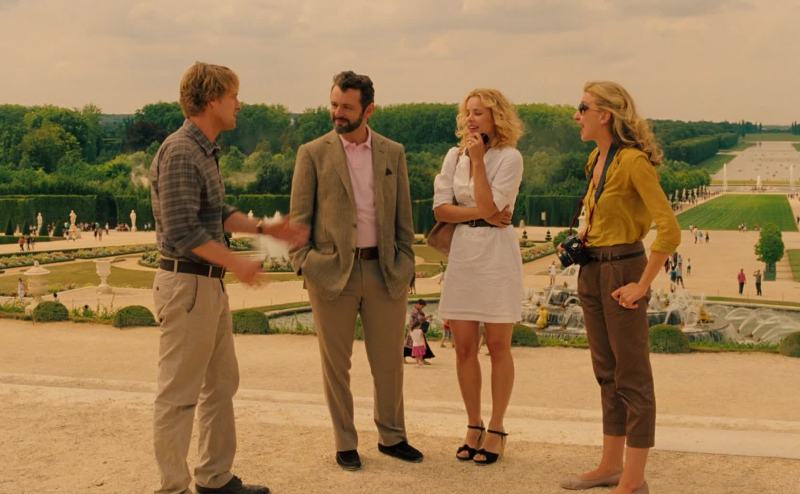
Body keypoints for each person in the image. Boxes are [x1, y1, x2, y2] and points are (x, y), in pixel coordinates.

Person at [149, 62, 307, 494]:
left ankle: (214, 478)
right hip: (188, 285)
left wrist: (265, 228)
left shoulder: (203, 150)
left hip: (204, 284)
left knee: (220, 385)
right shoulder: (182, 152)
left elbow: (214, 213)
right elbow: (183, 230)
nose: (240, 103)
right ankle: (172, 488)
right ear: (212, 100)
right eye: (234, 95)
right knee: (179, 394)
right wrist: (236, 262)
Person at [289, 70, 422, 471]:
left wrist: (406, 261)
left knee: (389, 363)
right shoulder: (312, 153)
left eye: (346, 106)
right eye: (334, 104)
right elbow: (298, 221)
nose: (337, 113)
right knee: (336, 366)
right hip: (332, 274)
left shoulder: (393, 152)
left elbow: (404, 216)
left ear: (369, 110)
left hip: (384, 270)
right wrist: (305, 263)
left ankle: (392, 436)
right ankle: (345, 441)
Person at [559, 81, 680, 494]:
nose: (577, 115)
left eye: (583, 107)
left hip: (622, 270)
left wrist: (642, 285)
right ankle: (611, 465)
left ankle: (633, 479)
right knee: (606, 374)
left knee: (633, 377)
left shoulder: (632, 162)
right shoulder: (597, 158)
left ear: (605, 115)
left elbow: (670, 229)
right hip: (593, 270)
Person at [433, 88, 523, 465]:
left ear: (496, 118)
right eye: (468, 112)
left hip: (497, 257)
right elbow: (441, 210)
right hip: (464, 256)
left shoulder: (510, 157)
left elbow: (491, 204)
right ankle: (474, 424)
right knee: (464, 348)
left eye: (479, 113)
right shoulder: (452, 156)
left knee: (499, 347)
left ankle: (497, 427)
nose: (471, 119)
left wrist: (478, 163)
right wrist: (481, 213)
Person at [405, 299, 435, 364]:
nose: (422, 308)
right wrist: (427, 318)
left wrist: (427, 318)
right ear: (418, 304)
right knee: (411, 345)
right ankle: (421, 359)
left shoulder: (418, 310)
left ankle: (422, 359)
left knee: (418, 344)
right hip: (414, 329)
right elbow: (420, 319)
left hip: (417, 329)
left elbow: (421, 319)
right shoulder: (415, 311)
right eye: (422, 306)